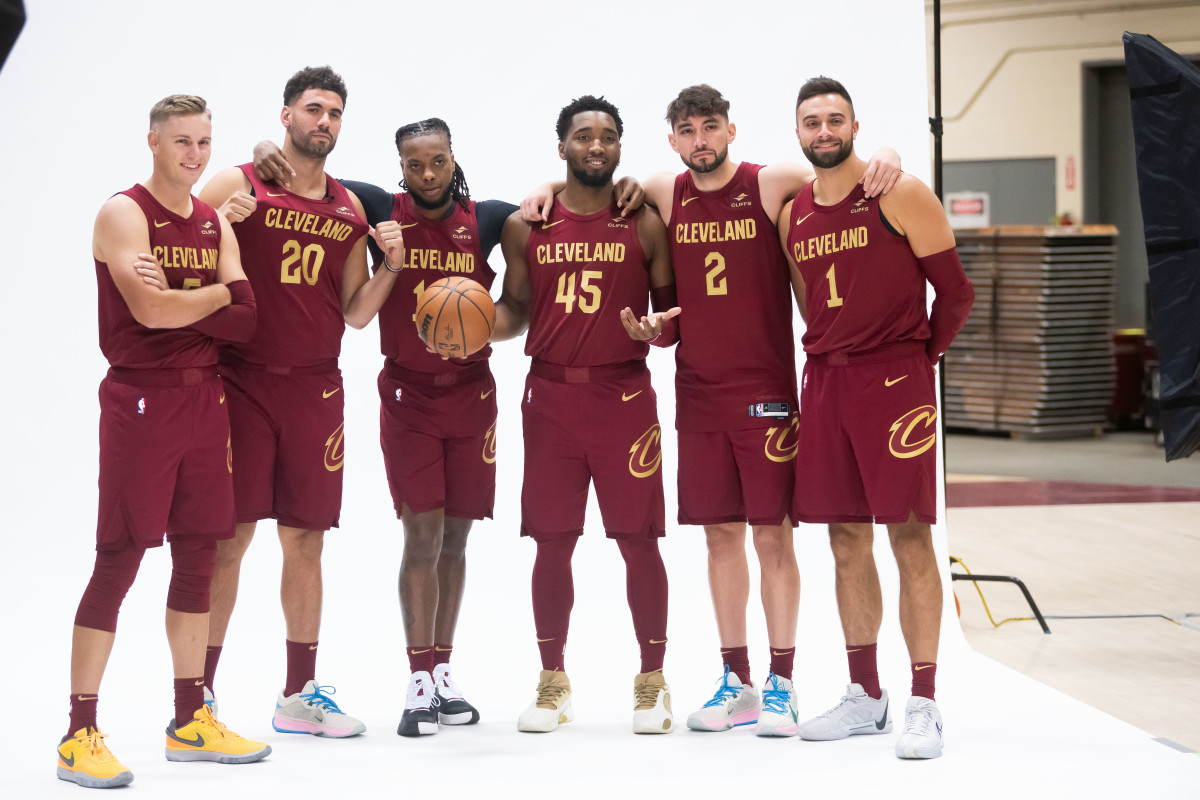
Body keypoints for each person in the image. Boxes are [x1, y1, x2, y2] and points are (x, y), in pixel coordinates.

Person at [537, 84, 901, 737]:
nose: (699, 139)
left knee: (773, 536)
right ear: (673, 140)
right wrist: (656, 330)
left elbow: (839, 168)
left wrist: (889, 152)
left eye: (710, 126)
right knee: (721, 537)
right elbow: (586, 187)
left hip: (764, 391)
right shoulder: (662, 192)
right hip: (696, 391)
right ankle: (736, 681)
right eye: (687, 130)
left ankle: (782, 683)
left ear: (731, 130)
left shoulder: (770, 183)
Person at [57, 94, 269, 789]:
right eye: (182, 141)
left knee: (199, 556)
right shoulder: (123, 212)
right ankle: (78, 732)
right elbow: (146, 313)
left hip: (204, 399)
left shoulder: (212, 219)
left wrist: (195, 297)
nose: (196, 155)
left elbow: (247, 319)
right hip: (140, 398)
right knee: (119, 559)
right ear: (152, 140)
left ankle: (189, 719)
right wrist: (209, 294)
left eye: (205, 142)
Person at [197, 66, 404, 739]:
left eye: (335, 113)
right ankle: (197, 691)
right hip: (241, 382)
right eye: (313, 109)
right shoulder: (239, 181)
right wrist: (216, 227)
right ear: (285, 117)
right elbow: (180, 249)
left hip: (315, 388)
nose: (325, 122)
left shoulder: (349, 208)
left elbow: (355, 315)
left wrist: (391, 269)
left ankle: (298, 693)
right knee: (230, 542)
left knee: (306, 539)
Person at [779, 76, 974, 760]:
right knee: (844, 540)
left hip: (895, 380)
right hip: (827, 383)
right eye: (812, 122)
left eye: (835, 119)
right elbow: (811, 305)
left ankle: (923, 700)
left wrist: (922, 362)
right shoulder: (793, 213)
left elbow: (955, 292)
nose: (824, 131)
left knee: (911, 537)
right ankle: (867, 695)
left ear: (855, 126)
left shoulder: (898, 191)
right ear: (798, 132)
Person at [493, 95, 676, 734]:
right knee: (551, 541)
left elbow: (670, 318)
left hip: (624, 397)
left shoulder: (645, 223)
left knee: (638, 540)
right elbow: (514, 309)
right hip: (549, 398)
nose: (594, 146)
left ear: (620, 147)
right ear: (561, 146)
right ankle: (552, 681)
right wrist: (475, 327)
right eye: (582, 136)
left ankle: (653, 682)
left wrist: (655, 330)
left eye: (606, 137)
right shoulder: (527, 225)